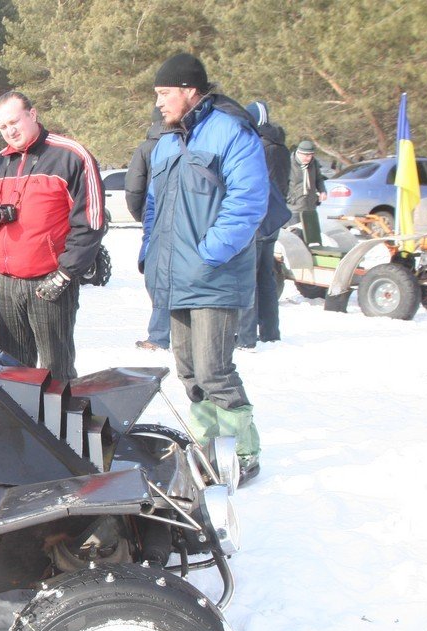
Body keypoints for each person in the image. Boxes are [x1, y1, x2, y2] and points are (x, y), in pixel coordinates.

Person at [140, 53, 269, 483]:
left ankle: (242, 452)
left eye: (164, 93)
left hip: (213, 275)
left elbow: (247, 200)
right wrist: (150, 253)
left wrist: (211, 252)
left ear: (189, 90)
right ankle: (211, 443)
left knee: (215, 369)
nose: (158, 102)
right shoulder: (165, 141)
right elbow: (154, 206)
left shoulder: (231, 131)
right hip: (176, 276)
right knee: (189, 369)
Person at [0, 91, 106, 381]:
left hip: (50, 281)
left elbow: (91, 221)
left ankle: (60, 426)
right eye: (2, 127)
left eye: (15, 121)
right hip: (6, 283)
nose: (10, 131)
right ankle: (19, 425)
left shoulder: (71, 156)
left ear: (32, 115)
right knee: (10, 370)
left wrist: (66, 273)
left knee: (55, 369)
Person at [238, 100, 291, 349]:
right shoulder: (280, 146)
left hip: (258, 218)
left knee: (248, 278)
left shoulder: (258, 146)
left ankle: (246, 336)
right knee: (266, 278)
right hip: (273, 220)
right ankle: (270, 330)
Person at [126, 108, 169, 351]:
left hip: (154, 222)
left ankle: (159, 335)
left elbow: (133, 188)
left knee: (157, 278)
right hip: (181, 221)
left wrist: (140, 215)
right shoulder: (189, 141)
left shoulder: (146, 148)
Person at [287, 138, 327, 222]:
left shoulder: (314, 163)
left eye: (311, 155)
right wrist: (289, 198)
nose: (308, 158)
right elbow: (282, 184)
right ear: (299, 153)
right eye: (306, 155)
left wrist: (323, 191)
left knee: (310, 233)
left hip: (311, 206)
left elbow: (319, 179)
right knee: (296, 232)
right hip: (294, 207)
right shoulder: (289, 163)